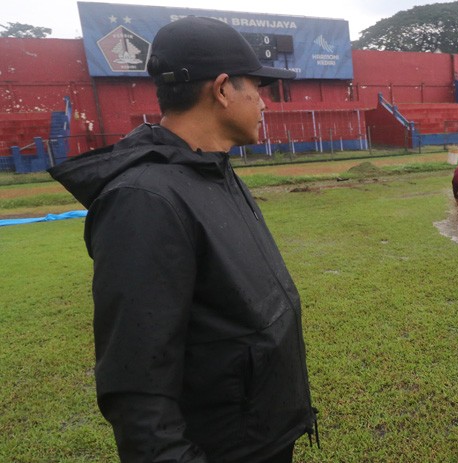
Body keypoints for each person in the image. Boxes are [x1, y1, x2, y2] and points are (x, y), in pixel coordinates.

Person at [48, 17, 316, 462]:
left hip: (260, 435)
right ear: (224, 89)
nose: (264, 104)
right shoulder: (144, 200)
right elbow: (137, 387)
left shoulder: (213, 170)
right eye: (259, 88)